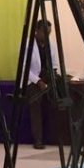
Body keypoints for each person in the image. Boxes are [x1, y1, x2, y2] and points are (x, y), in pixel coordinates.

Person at [25, 20, 59, 149]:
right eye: (45, 33)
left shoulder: (52, 45)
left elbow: (55, 64)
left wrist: (54, 75)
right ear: (37, 31)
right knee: (35, 102)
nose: (47, 36)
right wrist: (38, 82)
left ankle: (55, 137)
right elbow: (24, 69)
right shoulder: (27, 45)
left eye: (49, 33)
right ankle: (38, 139)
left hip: (48, 77)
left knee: (60, 97)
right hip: (33, 80)